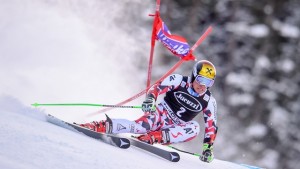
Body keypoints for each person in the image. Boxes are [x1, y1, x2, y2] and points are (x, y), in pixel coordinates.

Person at [80, 60, 218, 163]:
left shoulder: (209, 100)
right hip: (160, 115)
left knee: (195, 128)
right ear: (194, 76)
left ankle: (153, 137)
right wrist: (150, 100)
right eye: (201, 80)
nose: (203, 86)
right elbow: (157, 88)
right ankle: (101, 125)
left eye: (209, 82)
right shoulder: (179, 81)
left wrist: (208, 147)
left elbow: (211, 126)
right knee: (140, 126)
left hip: (174, 129)